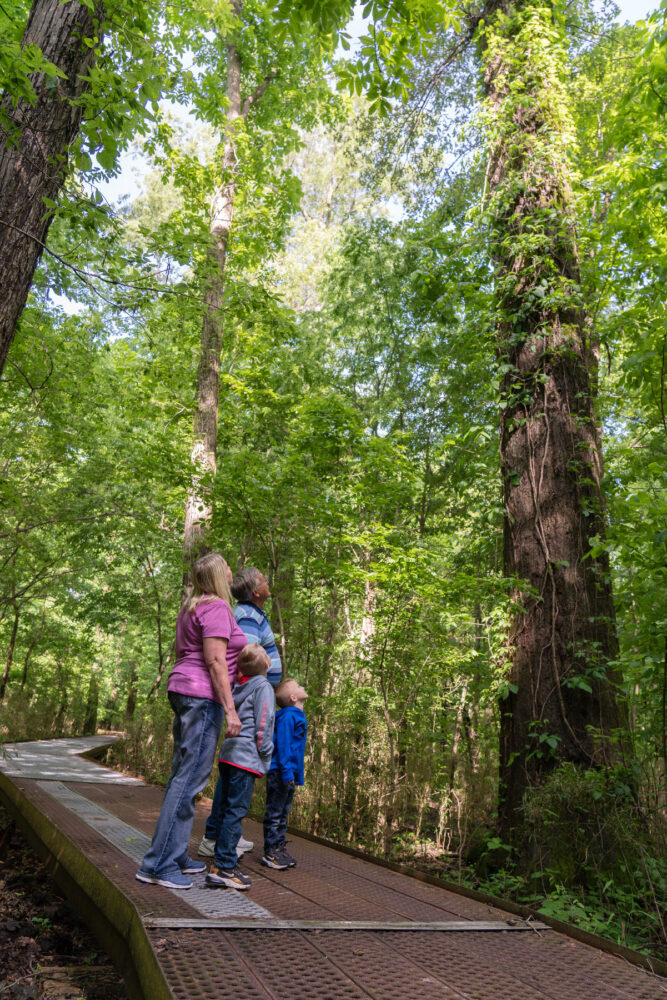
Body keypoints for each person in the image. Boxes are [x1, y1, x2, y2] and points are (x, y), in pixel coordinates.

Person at [136, 552, 246, 890]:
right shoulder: (216, 608)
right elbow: (214, 661)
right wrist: (230, 710)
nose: (232, 570)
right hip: (201, 695)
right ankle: (158, 865)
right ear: (217, 575)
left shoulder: (193, 606)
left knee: (181, 777)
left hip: (185, 690)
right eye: (227, 566)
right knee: (188, 782)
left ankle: (176, 853)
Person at [199, 565, 282, 858]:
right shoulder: (246, 615)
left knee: (234, 772)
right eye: (263, 579)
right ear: (255, 591)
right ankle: (216, 836)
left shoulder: (254, 613)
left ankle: (222, 834)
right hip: (250, 702)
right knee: (236, 773)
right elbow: (247, 657)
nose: (268, 581)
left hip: (254, 697)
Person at [206, 643, 275, 890]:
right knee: (236, 811)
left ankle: (219, 862)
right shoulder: (264, 687)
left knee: (225, 809)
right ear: (267, 666)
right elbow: (264, 723)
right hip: (245, 758)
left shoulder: (237, 686)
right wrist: (265, 756)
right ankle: (225, 865)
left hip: (228, 754)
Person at [261, 677, 308, 871]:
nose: (303, 686)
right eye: (298, 686)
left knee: (282, 813)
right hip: (281, 772)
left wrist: (296, 775)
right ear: (293, 697)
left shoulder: (294, 715)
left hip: (288, 773)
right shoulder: (289, 717)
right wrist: (288, 773)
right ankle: (271, 851)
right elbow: (284, 745)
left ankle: (278, 848)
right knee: (275, 813)